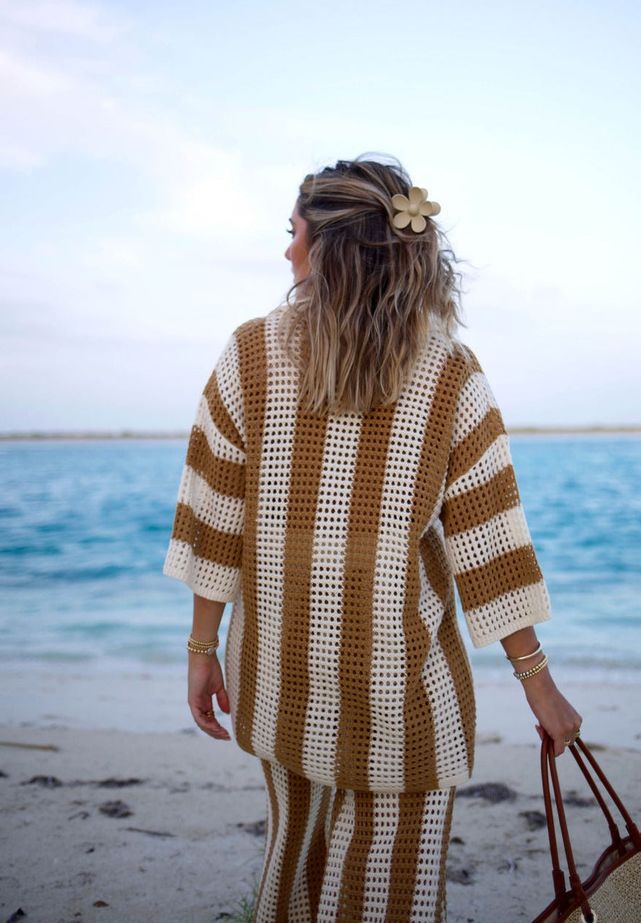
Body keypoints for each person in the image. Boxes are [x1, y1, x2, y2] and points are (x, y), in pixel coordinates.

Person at [162, 155, 582, 923]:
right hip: (399, 693)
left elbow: (213, 520)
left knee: (295, 872)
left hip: (280, 677)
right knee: (390, 893)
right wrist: (539, 684)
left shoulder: (248, 355)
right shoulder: (449, 371)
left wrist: (201, 649)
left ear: (328, 248)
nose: (285, 251)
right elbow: (489, 547)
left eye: (292, 233)